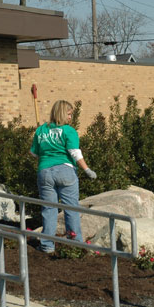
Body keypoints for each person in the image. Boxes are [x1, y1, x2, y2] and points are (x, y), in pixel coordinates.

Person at [30, 100, 96, 253]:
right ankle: (75, 244)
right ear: (61, 113)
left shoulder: (40, 131)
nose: (70, 117)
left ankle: (47, 245)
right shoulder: (68, 131)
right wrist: (87, 169)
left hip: (45, 172)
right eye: (69, 114)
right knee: (71, 208)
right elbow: (75, 152)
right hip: (65, 171)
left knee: (48, 209)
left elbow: (33, 153)